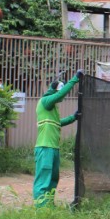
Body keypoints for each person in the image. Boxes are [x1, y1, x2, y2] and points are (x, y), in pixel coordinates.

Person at [33, 70, 82, 207]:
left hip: (53, 148)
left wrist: (73, 117)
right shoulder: (45, 101)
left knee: (53, 179)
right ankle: (41, 208)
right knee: (43, 179)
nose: (61, 97)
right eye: (59, 91)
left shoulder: (52, 109)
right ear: (54, 90)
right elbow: (60, 93)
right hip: (45, 147)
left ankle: (48, 205)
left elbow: (57, 123)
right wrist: (75, 79)